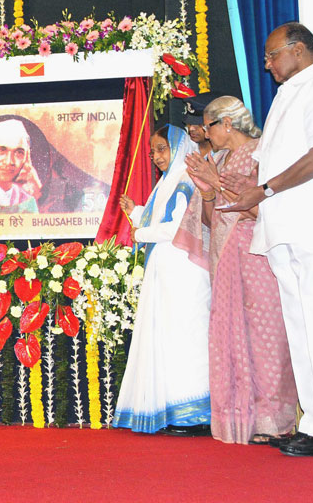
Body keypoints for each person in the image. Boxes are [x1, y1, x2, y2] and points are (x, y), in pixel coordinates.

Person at [221, 22, 313, 457]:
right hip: (288, 228)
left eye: (272, 55)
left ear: (299, 50)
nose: (266, 65)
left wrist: (264, 191)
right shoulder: (288, 96)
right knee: (304, 330)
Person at [175, 96, 298, 445]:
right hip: (227, 258)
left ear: (227, 124)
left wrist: (216, 182)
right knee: (231, 336)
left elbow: (265, 210)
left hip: (258, 255)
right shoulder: (220, 159)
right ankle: (239, 421)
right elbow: (210, 221)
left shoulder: (263, 153)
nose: (204, 132)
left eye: (208, 125)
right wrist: (207, 190)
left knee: (265, 336)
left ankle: (274, 422)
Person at [112, 125, 212, 435]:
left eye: (162, 149)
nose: (156, 156)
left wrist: (140, 233)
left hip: (186, 272)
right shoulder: (168, 182)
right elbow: (161, 220)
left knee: (187, 337)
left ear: (179, 147)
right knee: (169, 339)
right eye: (153, 151)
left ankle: (196, 415)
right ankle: (175, 410)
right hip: (167, 271)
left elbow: (175, 228)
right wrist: (138, 211)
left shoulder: (187, 180)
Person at [182, 92, 225, 159]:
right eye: (190, 123)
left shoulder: (225, 155)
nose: (191, 129)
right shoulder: (183, 150)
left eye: (200, 124)